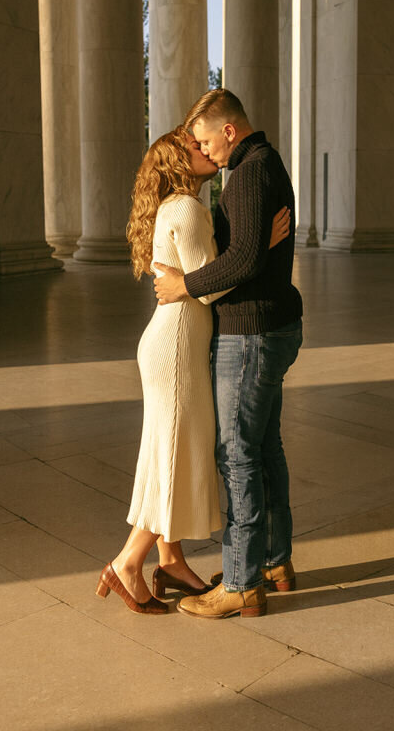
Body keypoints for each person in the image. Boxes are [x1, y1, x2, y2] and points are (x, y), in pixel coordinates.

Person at [96, 126, 289, 615]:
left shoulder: (177, 207)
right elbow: (210, 286)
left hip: (171, 340)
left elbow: (197, 277)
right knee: (174, 454)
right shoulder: (185, 207)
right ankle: (127, 562)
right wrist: (259, 245)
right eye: (191, 146)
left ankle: (171, 560)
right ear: (177, 164)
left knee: (169, 448)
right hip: (178, 344)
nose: (201, 148)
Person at [153, 89, 303, 620]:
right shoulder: (267, 163)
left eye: (205, 138)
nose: (203, 148)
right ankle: (272, 562)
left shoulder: (247, 173)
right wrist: (255, 250)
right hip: (271, 326)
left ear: (229, 131)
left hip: (250, 332)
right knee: (264, 449)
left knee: (237, 454)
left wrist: (184, 285)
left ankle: (241, 582)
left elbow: (238, 262)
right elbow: (247, 252)